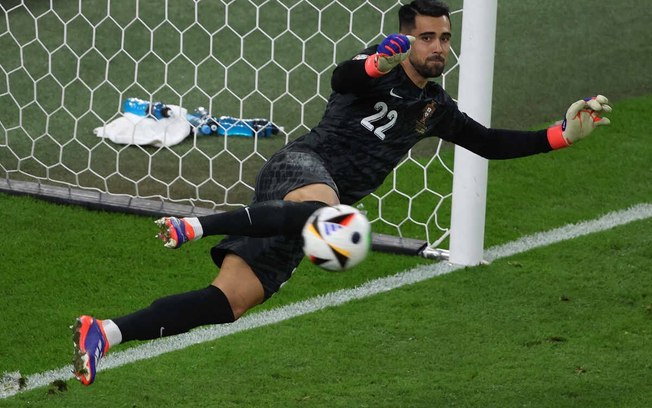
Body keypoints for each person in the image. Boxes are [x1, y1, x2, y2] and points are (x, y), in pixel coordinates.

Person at [72, 0, 611, 385]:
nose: (437, 47)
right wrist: (379, 59)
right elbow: (344, 79)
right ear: (407, 37)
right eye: (427, 37)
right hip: (300, 167)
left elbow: (490, 142)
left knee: (229, 302)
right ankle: (197, 224)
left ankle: (107, 333)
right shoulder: (377, 69)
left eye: (445, 38)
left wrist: (562, 135)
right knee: (332, 219)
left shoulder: (435, 108)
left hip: (302, 210)